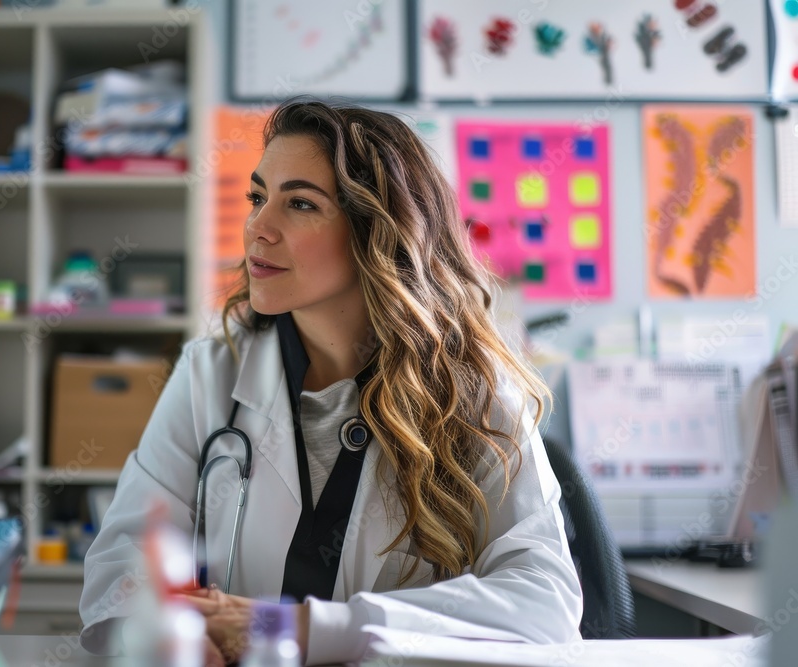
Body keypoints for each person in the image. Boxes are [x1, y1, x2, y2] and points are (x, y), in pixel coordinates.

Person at [79, 99, 582, 666]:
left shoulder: (474, 391)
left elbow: (546, 602)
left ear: (378, 232)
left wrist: (313, 629)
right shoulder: (210, 373)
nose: (257, 227)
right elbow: (120, 562)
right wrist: (166, 633)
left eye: (299, 203)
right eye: (257, 197)